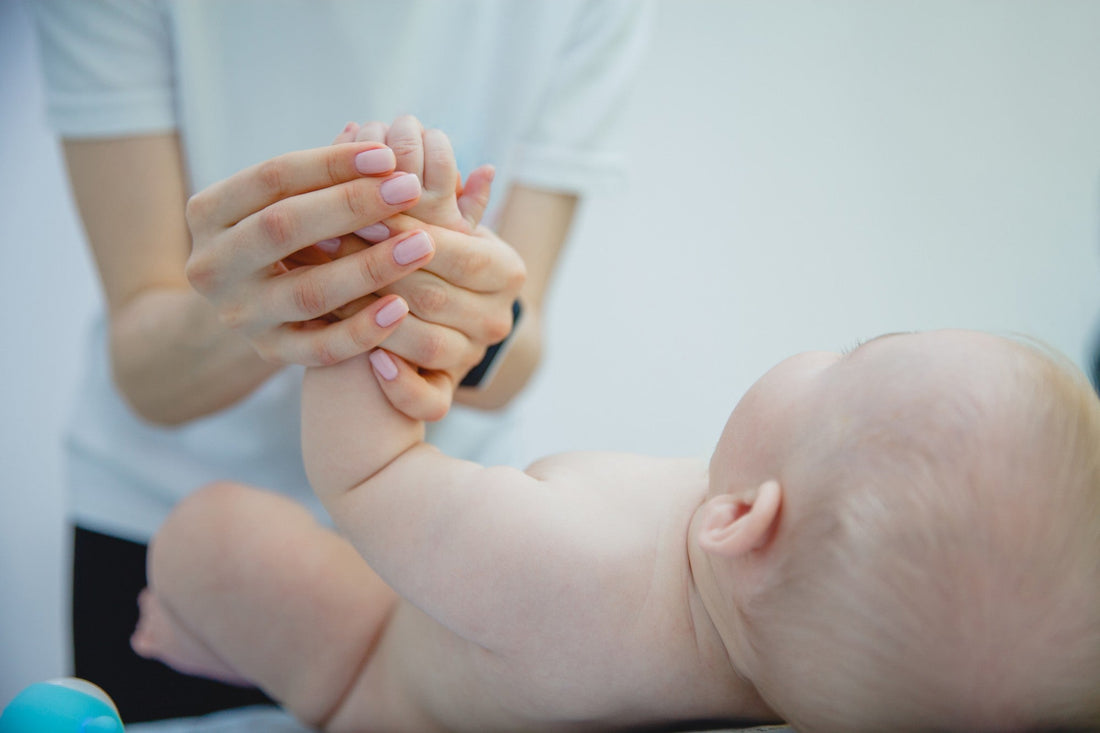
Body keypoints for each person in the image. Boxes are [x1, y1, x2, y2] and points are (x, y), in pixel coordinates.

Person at [131, 138, 1100, 732]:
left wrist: (382, 278)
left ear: (742, 519)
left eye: (845, 359)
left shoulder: (571, 570)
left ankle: (205, 627)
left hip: (378, 664)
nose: (818, 350)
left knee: (215, 534)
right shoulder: (800, 651)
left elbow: (369, 474)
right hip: (469, 621)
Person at [28, 0, 652, 722]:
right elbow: (145, 363)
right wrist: (304, 285)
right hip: (168, 548)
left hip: (435, 544)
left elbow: (519, 333)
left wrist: (467, 316)